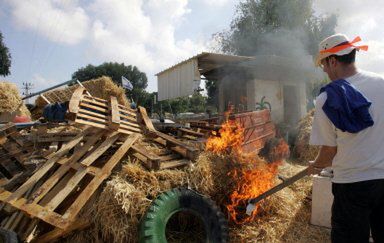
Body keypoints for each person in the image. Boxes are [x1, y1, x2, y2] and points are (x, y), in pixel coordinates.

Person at [308, 33, 384, 243]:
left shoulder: (326, 98)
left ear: (332, 60)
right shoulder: (382, 83)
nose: (324, 70)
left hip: (352, 185)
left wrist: (316, 165)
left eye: (323, 64)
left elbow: (329, 152)